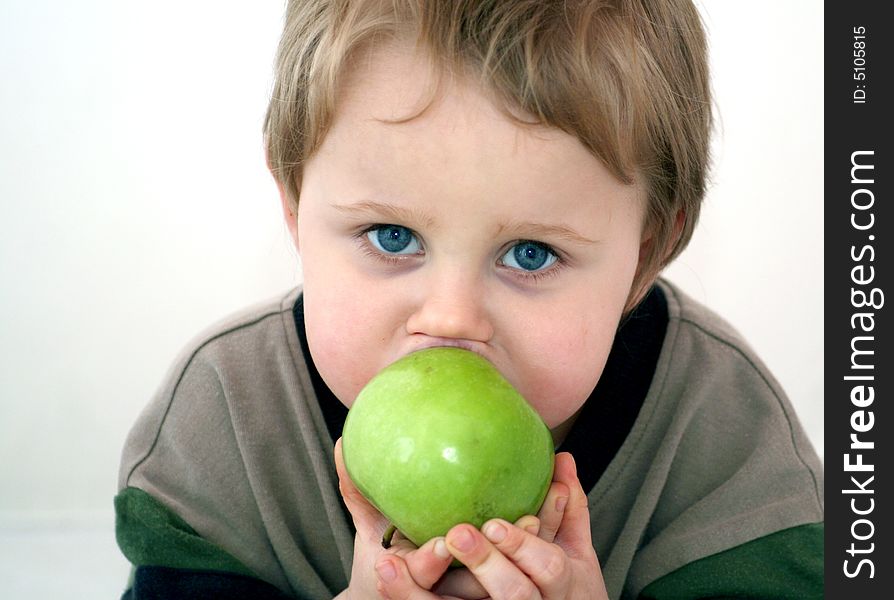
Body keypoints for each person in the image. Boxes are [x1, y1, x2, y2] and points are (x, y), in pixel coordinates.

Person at [114, 1, 824, 598]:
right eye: (392, 236)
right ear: (296, 204)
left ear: (646, 253)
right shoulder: (223, 425)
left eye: (531, 254)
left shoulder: (726, 439)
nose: (451, 318)